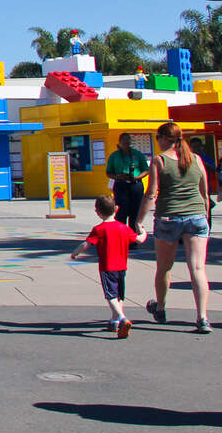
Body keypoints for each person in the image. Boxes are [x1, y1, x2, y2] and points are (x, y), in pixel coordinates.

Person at [136, 122, 212, 333]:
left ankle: (160, 308)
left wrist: (139, 221)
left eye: (158, 137)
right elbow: (204, 193)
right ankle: (202, 317)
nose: (157, 141)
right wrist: (205, 217)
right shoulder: (195, 159)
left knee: (164, 267)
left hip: (169, 218)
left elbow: (151, 194)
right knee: (197, 268)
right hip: (196, 216)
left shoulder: (159, 161)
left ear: (164, 138)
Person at [71, 193, 147, 338]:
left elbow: (85, 244)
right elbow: (139, 240)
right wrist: (143, 231)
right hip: (122, 266)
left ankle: (122, 318)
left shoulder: (99, 229)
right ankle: (114, 321)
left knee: (110, 295)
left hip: (107, 267)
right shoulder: (123, 227)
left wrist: (75, 253)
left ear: (97, 212)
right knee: (119, 295)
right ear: (116, 209)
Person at [105, 133, 149, 233]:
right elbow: (108, 172)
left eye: (128, 141)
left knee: (135, 212)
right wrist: (118, 177)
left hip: (135, 185)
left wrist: (137, 177)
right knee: (121, 212)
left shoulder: (137, 154)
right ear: (120, 142)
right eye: (124, 141)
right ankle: (121, 236)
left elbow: (146, 170)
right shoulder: (114, 156)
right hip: (121, 185)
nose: (126, 143)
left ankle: (133, 238)